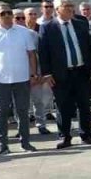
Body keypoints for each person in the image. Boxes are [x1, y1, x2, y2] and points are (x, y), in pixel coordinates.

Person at [38, 0, 91, 149]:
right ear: (57, 9)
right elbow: (43, 52)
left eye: (72, 5)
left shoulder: (81, 24)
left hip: (81, 71)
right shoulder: (48, 27)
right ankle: (65, 136)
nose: (71, 8)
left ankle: (86, 134)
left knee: (84, 105)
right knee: (63, 106)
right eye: (66, 6)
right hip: (60, 74)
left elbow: (88, 47)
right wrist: (47, 74)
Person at [0, 4, 40, 155]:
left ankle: (26, 142)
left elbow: (31, 54)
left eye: (9, 13)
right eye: (3, 13)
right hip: (0, 79)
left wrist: (34, 74)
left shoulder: (23, 32)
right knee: (1, 113)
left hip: (22, 78)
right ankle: (2, 145)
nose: (7, 15)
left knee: (23, 111)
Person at [22, 7, 54, 135]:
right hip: (18, 75)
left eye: (35, 14)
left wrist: (39, 73)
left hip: (34, 73)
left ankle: (41, 124)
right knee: (20, 103)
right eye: (29, 14)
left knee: (38, 101)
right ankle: (22, 128)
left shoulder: (35, 34)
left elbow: (40, 55)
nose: (33, 16)